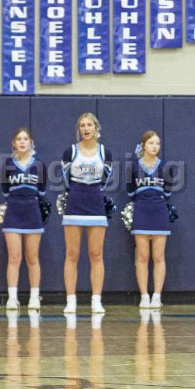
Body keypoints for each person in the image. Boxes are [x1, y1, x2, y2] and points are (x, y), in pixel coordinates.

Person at [61, 112, 113, 315]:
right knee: (72, 254)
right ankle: (71, 300)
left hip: (96, 203)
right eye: (82, 125)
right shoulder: (70, 152)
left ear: (96, 128)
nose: (86, 128)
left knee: (96, 254)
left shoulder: (105, 153)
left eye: (89, 125)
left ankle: (96, 300)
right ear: (79, 129)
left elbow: (106, 180)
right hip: (75, 202)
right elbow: (66, 180)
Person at [126, 131, 176, 310]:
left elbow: (168, 193)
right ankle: (144, 296)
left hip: (159, 212)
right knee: (142, 256)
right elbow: (130, 192)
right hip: (141, 211)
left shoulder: (166, 167)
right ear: (143, 145)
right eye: (151, 143)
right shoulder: (133, 167)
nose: (155, 147)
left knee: (159, 256)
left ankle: (157, 296)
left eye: (157, 143)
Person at [1, 127, 46, 312]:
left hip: (32, 212)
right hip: (13, 212)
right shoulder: (8, 165)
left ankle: (34, 297)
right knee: (14, 257)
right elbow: (5, 191)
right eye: (18, 139)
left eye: (25, 139)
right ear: (13, 143)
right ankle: (12, 298)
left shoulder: (39, 165)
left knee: (32, 257)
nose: (22, 142)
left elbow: (42, 191)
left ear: (31, 143)